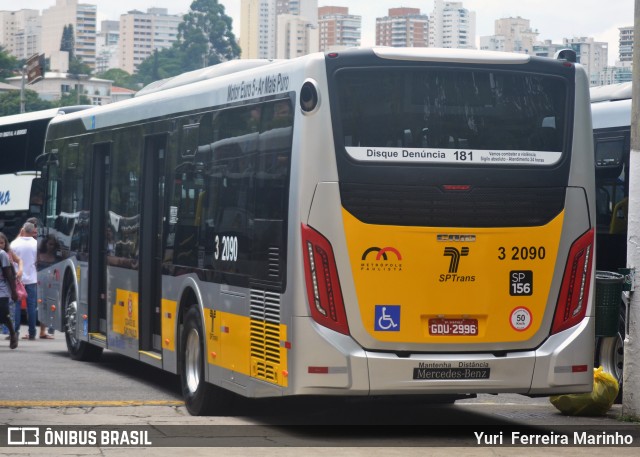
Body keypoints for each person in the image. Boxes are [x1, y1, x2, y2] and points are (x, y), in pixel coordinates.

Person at [11, 221, 51, 340]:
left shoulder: (14, 244)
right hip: (32, 279)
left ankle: (16, 331)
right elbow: (39, 261)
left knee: (16, 306)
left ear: (23, 230)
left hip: (18, 279)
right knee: (32, 307)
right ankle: (32, 332)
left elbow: (11, 261)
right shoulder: (36, 244)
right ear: (33, 231)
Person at [0, 232, 23, 340]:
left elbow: (9, 274)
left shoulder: (3, 254)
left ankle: (13, 333)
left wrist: (14, 291)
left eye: (2, 243)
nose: (0, 245)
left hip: (3, 288)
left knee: (4, 313)